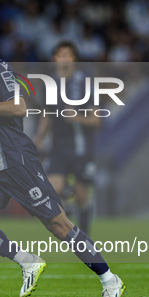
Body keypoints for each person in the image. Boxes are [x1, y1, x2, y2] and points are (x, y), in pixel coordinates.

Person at [0, 5, 124, 297]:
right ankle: (27, 261)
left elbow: (18, 108)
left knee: (59, 226)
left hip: (18, 163)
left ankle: (110, 279)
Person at [33, 41, 100, 235]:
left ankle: (85, 231)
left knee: (81, 196)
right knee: (53, 192)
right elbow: (46, 114)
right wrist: (39, 136)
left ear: (74, 59)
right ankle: (67, 233)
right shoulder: (49, 84)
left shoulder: (84, 83)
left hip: (81, 147)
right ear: (54, 59)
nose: (63, 59)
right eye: (60, 55)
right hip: (58, 147)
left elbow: (96, 120)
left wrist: (77, 118)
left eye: (68, 55)